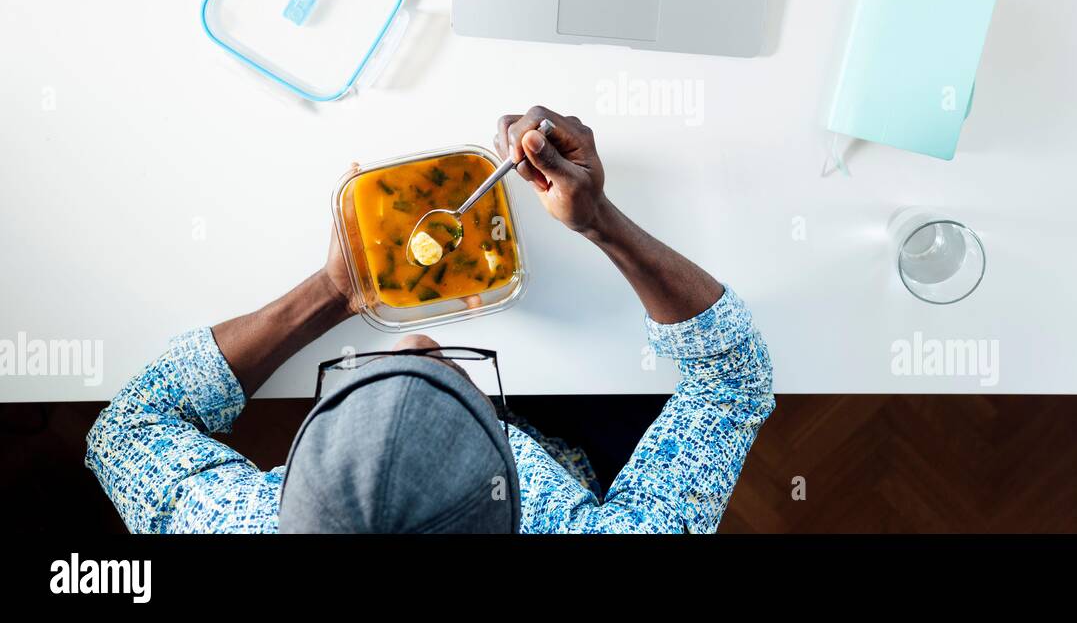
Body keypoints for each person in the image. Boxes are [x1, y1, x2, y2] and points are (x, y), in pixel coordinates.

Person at [85, 107, 773, 533]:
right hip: (587, 454)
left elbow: (130, 428)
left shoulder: (231, 524)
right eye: (451, 388)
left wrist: (332, 290)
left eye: (363, 387)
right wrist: (602, 224)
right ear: (510, 493)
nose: (418, 339)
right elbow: (732, 378)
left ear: (287, 484)